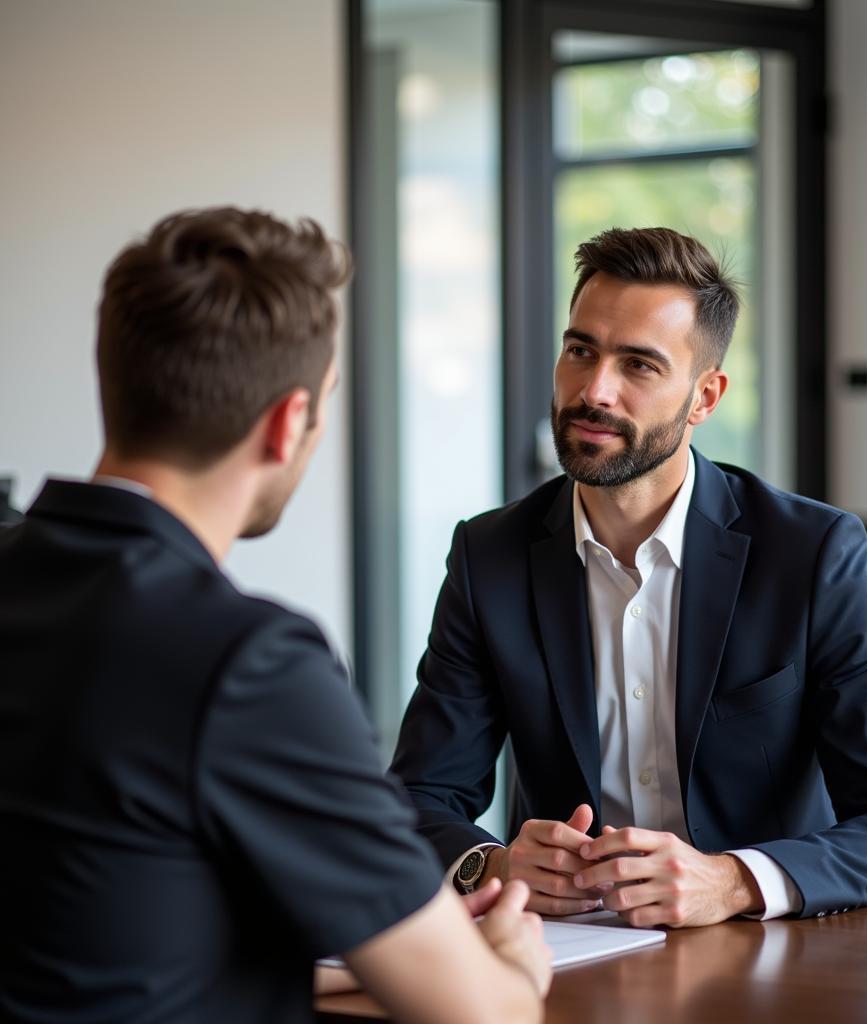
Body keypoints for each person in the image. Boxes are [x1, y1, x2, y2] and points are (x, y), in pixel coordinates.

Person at [0, 208, 549, 1024]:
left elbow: (94, 938)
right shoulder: (248, 662)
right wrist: (510, 964)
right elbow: (481, 1015)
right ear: (289, 422)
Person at [391, 226, 867, 927]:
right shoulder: (490, 555)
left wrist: (731, 881)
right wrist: (495, 864)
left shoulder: (810, 554)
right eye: (580, 351)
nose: (595, 390)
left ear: (704, 397)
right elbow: (417, 800)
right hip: (568, 961)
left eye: (639, 365)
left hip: (768, 960)